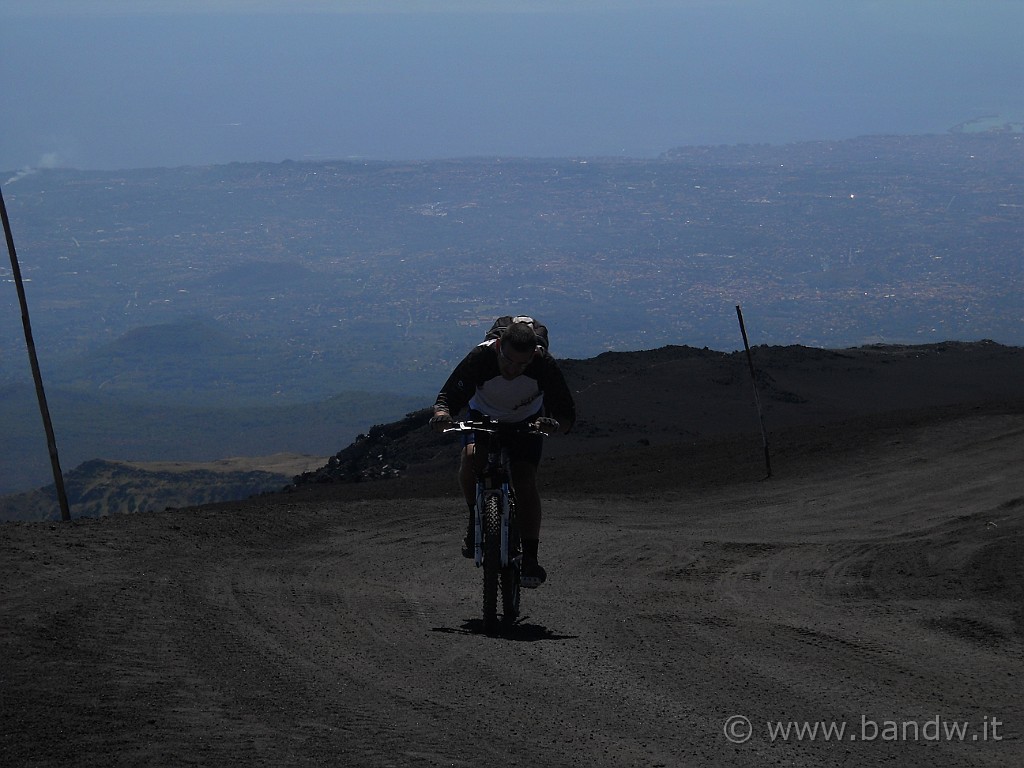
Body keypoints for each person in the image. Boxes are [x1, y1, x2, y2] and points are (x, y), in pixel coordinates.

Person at [429, 319, 576, 588]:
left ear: (533, 355)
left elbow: (565, 412)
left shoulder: (543, 364)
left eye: (522, 364)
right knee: (472, 459)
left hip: (527, 422)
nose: (514, 369)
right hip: (483, 418)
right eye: (509, 361)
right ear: (498, 346)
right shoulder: (481, 357)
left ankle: (530, 558)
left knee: (524, 479)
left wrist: (554, 424)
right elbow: (449, 395)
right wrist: (442, 415)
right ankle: (475, 518)